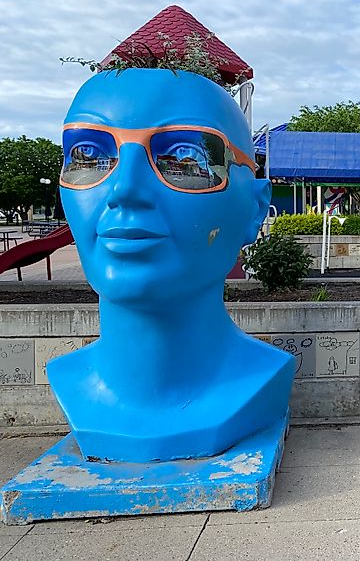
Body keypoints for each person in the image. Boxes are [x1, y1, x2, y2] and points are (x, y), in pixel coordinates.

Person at [48, 68, 295, 463]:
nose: (125, 188)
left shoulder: (262, 380)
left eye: (184, 157)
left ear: (255, 208)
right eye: (90, 155)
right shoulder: (65, 379)